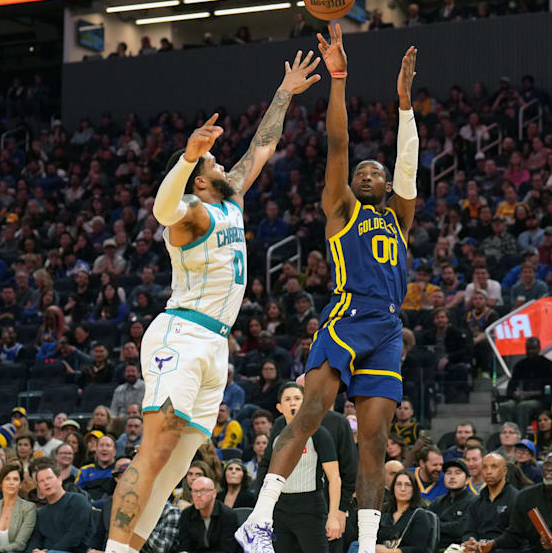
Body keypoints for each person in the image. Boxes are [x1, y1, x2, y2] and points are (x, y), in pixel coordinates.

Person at [107, 51, 321, 553]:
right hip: (181, 334)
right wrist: (186, 157)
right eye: (213, 163)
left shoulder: (230, 200)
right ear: (199, 180)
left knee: (181, 460)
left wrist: (284, 92)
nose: (224, 163)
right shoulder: (192, 215)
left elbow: (263, 146)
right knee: (155, 449)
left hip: (215, 344)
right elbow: (162, 209)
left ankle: (131, 547)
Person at [237, 33, 420, 553]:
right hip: (347, 315)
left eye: (375, 173)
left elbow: (408, 163)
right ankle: (261, 518)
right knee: (311, 415)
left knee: (376, 441)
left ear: (386, 187)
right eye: (362, 171)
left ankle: (365, 543)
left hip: (387, 329)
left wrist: (405, 105)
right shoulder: (342, 210)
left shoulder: (399, 218)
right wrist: (338, 80)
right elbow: (338, 143)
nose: (367, 173)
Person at [252, 382, 342, 553]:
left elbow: (335, 478)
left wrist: (333, 515)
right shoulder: (277, 436)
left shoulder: (319, 434)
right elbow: (267, 469)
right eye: (287, 399)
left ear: (305, 402)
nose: (292, 403)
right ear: (279, 407)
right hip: (280, 508)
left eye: (297, 398)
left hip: (310, 508)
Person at [479, 451, 552, 553]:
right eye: (546, 464)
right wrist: (493, 543)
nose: (549, 469)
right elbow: (514, 534)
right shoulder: (525, 496)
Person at [28, 459, 92, 553]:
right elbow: (36, 539)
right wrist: (34, 551)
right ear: (39, 487)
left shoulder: (78, 501)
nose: (46, 483)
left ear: (60, 479)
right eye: (41, 481)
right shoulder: (41, 513)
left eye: (49, 478)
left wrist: (50, 552)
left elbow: (74, 536)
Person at [461, 454, 517, 552]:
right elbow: (469, 530)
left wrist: (491, 544)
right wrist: (471, 541)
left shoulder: (516, 498)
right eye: (485, 467)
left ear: (504, 471)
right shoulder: (476, 501)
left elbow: (515, 536)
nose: (488, 472)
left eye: (494, 467)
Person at [501, 337, 552, 431]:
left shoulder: (547, 365)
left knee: (523, 406)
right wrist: (514, 394)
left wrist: (531, 394)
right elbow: (511, 387)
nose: (530, 351)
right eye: (528, 348)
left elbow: (551, 389)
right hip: (519, 399)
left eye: (533, 348)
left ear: (539, 348)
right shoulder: (520, 365)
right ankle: (509, 432)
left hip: (540, 400)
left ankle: (520, 437)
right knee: (505, 406)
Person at [373, 471, 435, 553]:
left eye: (408, 485)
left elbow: (419, 549)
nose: (403, 489)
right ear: (393, 488)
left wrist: (390, 552)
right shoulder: (385, 512)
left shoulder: (420, 515)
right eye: (399, 484)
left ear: (414, 489)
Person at [0, 463, 37, 553]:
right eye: (7, 479)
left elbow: (20, 545)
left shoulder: (28, 508)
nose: (11, 482)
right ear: (1, 483)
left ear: (20, 484)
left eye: (15, 479)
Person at [176, 476, 239, 553]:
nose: (198, 495)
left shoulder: (228, 515)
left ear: (214, 493)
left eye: (203, 491)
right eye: (195, 491)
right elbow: (184, 545)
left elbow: (227, 549)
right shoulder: (186, 514)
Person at [430, 459, 477, 550]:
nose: (452, 477)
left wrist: (436, 526)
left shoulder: (474, 501)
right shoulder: (438, 501)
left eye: (457, 473)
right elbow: (425, 524)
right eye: (448, 473)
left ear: (467, 480)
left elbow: (461, 528)